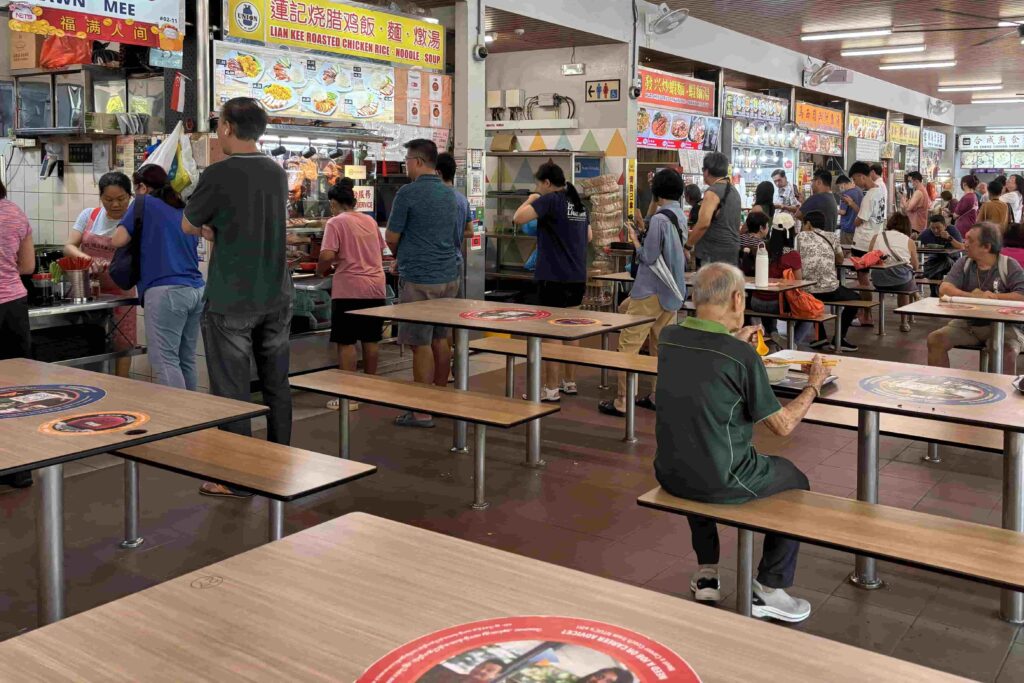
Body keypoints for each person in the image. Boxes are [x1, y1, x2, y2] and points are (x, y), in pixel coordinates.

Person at [656, 262, 829, 623]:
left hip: (670, 471)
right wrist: (814, 382)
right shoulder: (742, 357)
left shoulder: (669, 339)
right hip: (725, 478)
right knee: (796, 480)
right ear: (738, 298)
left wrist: (733, 344)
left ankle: (707, 572)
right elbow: (782, 426)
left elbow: (704, 369)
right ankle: (769, 586)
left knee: (695, 448)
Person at [182, 97, 294, 497]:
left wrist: (210, 229)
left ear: (228, 127)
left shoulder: (218, 174)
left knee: (232, 390)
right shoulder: (276, 172)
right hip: (277, 295)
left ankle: (236, 477)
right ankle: (280, 460)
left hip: (232, 297)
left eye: (219, 125)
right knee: (276, 384)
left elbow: (188, 222)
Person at [386, 139, 463, 425]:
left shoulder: (408, 193)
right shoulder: (449, 195)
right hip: (448, 277)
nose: (405, 164)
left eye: (406, 159)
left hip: (419, 277)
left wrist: (401, 255)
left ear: (417, 161)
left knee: (420, 343)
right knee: (441, 338)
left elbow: (391, 237)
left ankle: (421, 410)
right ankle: (440, 400)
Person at [598, 168, 685, 417]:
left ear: (656, 193)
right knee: (660, 344)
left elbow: (648, 256)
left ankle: (624, 400)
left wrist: (636, 239)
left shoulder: (659, 219)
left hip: (650, 291)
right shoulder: (678, 216)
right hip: (672, 292)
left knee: (629, 344)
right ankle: (658, 395)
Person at [111, 165, 203, 390]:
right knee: (186, 360)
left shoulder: (144, 203)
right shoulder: (182, 208)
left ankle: (180, 419)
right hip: (196, 290)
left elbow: (117, 240)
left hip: (165, 292)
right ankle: (197, 418)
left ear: (142, 186)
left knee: (165, 361)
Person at [514, 161, 591, 400]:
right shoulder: (577, 205)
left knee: (550, 334)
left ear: (546, 183)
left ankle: (549, 389)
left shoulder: (550, 199)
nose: (538, 187)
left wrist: (532, 198)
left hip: (552, 278)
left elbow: (518, 218)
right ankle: (569, 382)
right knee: (571, 332)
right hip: (577, 278)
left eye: (539, 183)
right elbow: (588, 236)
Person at [316, 178, 387, 410]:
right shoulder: (369, 220)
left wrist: (320, 270)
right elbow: (378, 250)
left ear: (335, 203)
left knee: (346, 342)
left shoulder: (336, 222)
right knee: (370, 338)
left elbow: (327, 255)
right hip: (375, 286)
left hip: (350, 287)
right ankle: (370, 390)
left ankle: (349, 396)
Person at [64, 171, 137, 377]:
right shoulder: (89, 215)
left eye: (121, 199)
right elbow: (69, 246)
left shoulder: (134, 221)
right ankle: (91, 380)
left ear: (130, 196)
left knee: (123, 343)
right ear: (100, 198)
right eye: (108, 199)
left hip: (122, 291)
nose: (115, 205)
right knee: (89, 338)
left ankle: (121, 385)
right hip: (88, 290)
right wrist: (85, 259)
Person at [928, 222, 1024, 374]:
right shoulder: (964, 263)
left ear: (986, 247)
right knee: (936, 340)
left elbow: (1021, 296)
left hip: (1007, 327)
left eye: (970, 240)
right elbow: (944, 289)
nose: (965, 244)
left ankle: (1002, 394)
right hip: (969, 324)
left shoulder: (1009, 265)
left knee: (1005, 350)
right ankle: (940, 388)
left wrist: (993, 297)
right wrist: (972, 296)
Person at [0, 177, 36, 488]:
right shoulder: (14, 213)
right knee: (15, 391)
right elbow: (27, 266)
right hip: (12, 306)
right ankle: (20, 469)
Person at [797, 211, 859, 352]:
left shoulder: (799, 237)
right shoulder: (832, 236)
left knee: (812, 299)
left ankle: (821, 337)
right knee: (856, 299)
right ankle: (839, 337)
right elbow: (840, 259)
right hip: (830, 290)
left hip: (807, 290)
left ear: (808, 224)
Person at [749, 213, 803, 345]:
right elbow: (798, 282)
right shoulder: (792, 255)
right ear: (790, 232)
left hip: (755, 301)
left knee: (767, 293)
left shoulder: (761, 248)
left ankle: (773, 332)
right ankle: (793, 341)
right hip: (778, 305)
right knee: (808, 307)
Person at [868, 213, 919, 333]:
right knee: (906, 281)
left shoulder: (876, 237)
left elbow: (869, 257)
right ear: (907, 226)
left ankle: (914, 291)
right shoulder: (909, 241)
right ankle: (904, 322)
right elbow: (916, 266)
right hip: (901, 281)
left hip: (878, 279)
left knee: (905, 276)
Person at [850, 161, 887, 326]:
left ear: (861, 176)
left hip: (862, 243)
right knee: (865, 280)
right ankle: (864, 313)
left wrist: (854, 220)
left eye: (855, 179)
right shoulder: (880, 191)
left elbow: (859, 220)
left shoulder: (869, 195)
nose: (855, 183)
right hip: (875, 240)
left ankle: (866, 315)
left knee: (863, 281)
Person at [687, 152, 740, 266]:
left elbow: (703, 224)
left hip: (713, 253)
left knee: (710, 284)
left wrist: (687, 246)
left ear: (706, 171)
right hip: (731, 252)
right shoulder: (734, 191)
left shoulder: (712, 192)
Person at [437, 152, 475, 296]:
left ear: (437, 172)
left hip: (438, 264)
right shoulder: (462, 199)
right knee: (456, 309)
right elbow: (470, 231)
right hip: (457, 261)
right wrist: (456, 232)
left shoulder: (436, 199)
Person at [920, 214, 965, 295]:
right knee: (936, 266)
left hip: (952, 262)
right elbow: (917, 242)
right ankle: (935, 294)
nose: (935, 230)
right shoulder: (928, 232)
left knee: (943, 261)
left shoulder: (952, 230)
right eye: (933, 228)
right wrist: (913, 239)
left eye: (938, 228)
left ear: (945, 226)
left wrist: (949, 238)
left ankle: (926, 274)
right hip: (935, 262)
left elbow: (962, 247)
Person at [738, 211, 770, 276]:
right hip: (755, 275)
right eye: (767, 226)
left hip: (738, 273)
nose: (768, 228)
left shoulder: (738, 239)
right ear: (761, 228)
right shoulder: (762, 245)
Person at [836, 174, 862, 246]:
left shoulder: (846, 194)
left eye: (839, 186)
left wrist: (832, 210)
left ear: (843, 184)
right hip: (857, 228)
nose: (839, 188)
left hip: (847, 228)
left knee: (846, 251)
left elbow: (843, 212)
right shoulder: (859, 190)